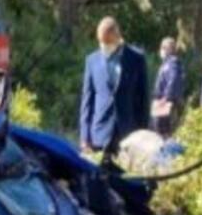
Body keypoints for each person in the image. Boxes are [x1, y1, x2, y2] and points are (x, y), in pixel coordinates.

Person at [79, 17, 149, 155]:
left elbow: (143, 99)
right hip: (99, 134)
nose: (105, 48)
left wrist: (143, 133)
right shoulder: (91, 61)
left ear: (117, 38)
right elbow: (87, 101)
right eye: (102, 43)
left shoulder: (136, 59)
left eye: (108, 43)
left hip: (128, 135)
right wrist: (84, 137)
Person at [151, 37, 185, 138]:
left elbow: (173, 81)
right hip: (162, 101)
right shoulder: (167, 63)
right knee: (158, 128)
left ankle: (166, 152)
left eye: (162, 48)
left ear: (169, 49)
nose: (161, 50)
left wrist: (166, 97)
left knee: (162, 130)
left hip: (165, 102)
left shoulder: (173, 63)